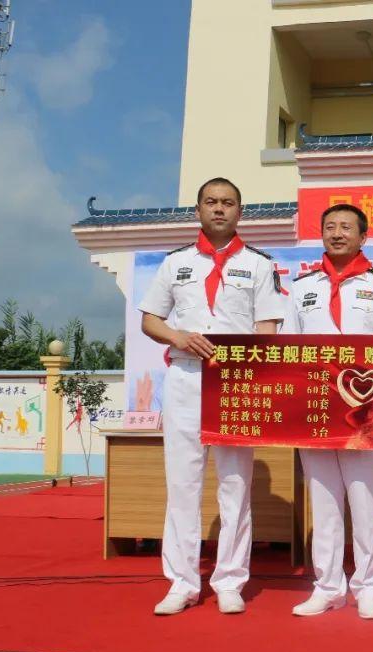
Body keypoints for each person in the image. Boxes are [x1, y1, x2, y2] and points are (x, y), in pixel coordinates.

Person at [139, 177, 285, 615]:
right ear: (198, 210)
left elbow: (267, 328)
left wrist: (251, 371)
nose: (219, 209)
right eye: (211, 202)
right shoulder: (175, 263)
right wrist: (179, 337)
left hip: (237, 383)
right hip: (186, 377)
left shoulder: (260, 264)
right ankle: (181, 582)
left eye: (228, 203)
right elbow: (151, 320)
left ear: (240, 211)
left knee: (235, 484)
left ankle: (229, 580)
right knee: (182, 483)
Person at [283, 204, 373, 620]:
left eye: (346, 228)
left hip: (368, 406)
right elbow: (287, 349)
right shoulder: (302, 288)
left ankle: (370, 587)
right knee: (323, 501)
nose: (337, 234)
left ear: (363, 237)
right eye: (330, 227)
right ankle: (327, 586)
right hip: (316, 408)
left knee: (365, 500)